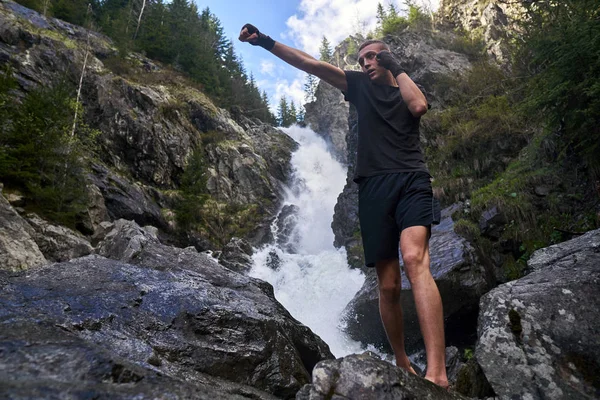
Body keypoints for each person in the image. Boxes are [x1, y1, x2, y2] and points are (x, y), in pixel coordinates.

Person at [239, 24, 448, 389]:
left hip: (412, 178)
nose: (366, 62)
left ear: (386, 58)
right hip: (372, 187)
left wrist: (395, 65)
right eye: (361, 58)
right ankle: (401, 359)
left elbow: (418, 105)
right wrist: (265, 42)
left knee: (415, 259)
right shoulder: (357, 86)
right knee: (387, 284)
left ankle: (438, 371)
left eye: (372, 56)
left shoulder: (403, 86)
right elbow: (310, 63)